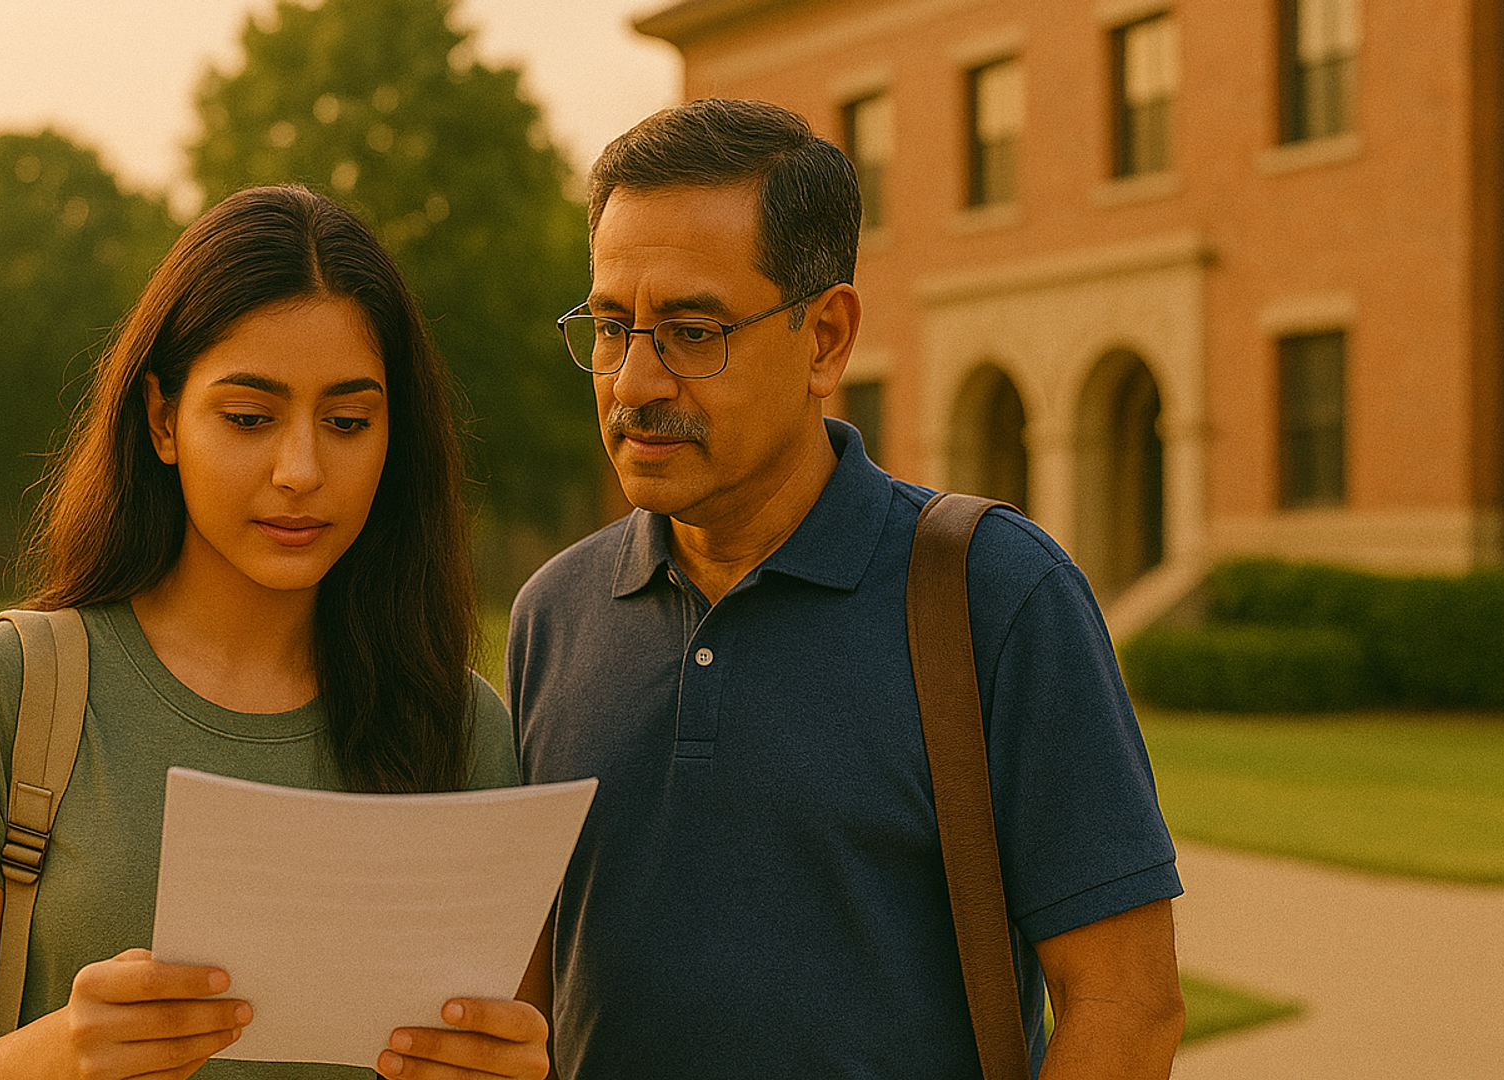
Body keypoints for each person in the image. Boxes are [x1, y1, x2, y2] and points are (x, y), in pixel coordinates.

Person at [507, 99, 1184, 1078]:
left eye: (692, 331)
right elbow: (517, 1010)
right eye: (613, 328)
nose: (634, 381)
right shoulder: (551, 617)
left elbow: (1127, 1005)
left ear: (826, 338)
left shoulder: (998, 596)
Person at [0, 185, 551, 1080]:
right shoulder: (15, 688)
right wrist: (62, 1052)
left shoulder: (462, 727)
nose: (301, 470)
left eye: (348, 422)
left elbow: (510, 1041)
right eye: (248, 419)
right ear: (162, 420)